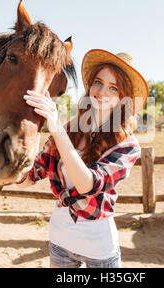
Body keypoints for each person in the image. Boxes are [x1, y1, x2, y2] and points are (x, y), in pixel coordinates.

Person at [17, 49, 148, 268]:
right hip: (60, 241)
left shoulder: (128, 146)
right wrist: (8, 154)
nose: (101, 91)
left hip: (99, 248)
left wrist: (56, 128)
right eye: (98, 82)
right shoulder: (68, 130)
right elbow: (29, 176)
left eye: (113, 87)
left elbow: (88, 184)